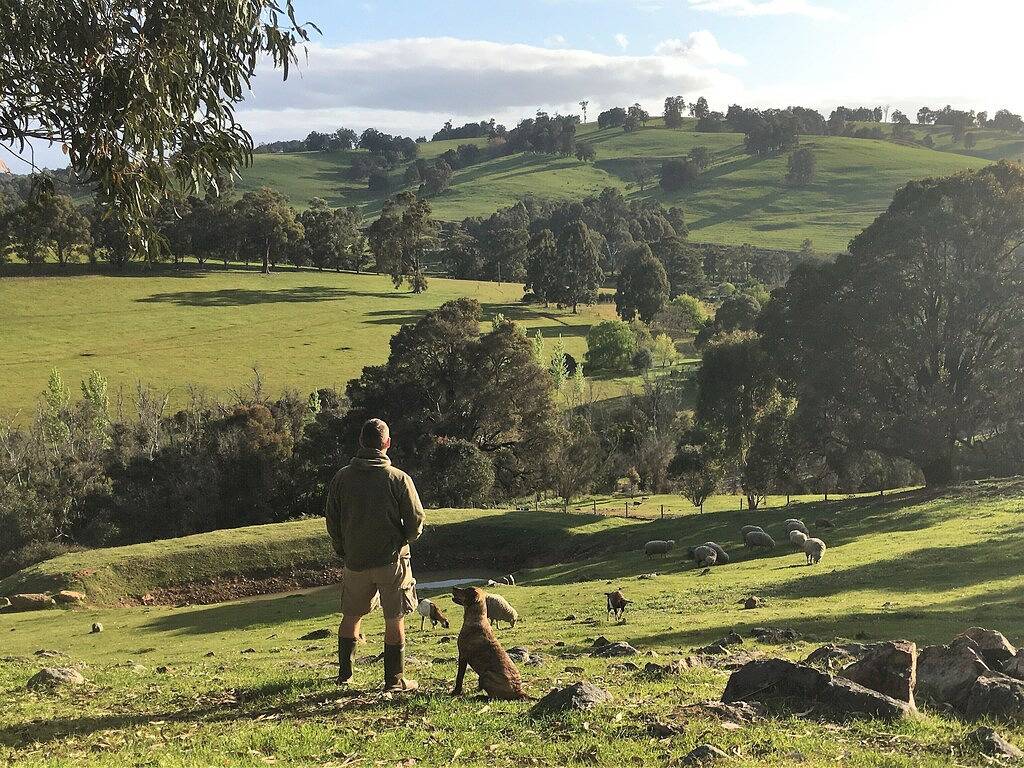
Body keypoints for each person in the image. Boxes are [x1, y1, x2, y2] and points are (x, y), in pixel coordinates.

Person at [325, 418, 425, 692]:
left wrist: (343, 548)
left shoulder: (342, 477)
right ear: (387, 444)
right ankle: (394, 680)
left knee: (351, 616)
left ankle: (345, 675)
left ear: (361, 442)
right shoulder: (398, 479)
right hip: (391, 560)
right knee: (394, 619)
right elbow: (416, 521)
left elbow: (332, 520)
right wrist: (404, 540)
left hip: (355, 561)